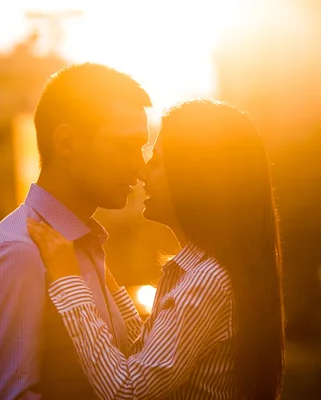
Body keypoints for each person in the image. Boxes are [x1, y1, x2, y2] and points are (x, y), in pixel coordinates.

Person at [27, 99, 285, 399]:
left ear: (194, 176)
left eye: (157, 161)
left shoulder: (206, 282)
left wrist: (68, 281)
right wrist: (108, 283)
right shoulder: (198, 272)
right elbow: (157, 358)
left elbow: (129, 390)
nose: (142, 173)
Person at [0, 63, 152, 399]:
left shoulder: (83, 248)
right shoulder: (17, 253)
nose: (139, 165)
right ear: (66, 142)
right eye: (125, 146)